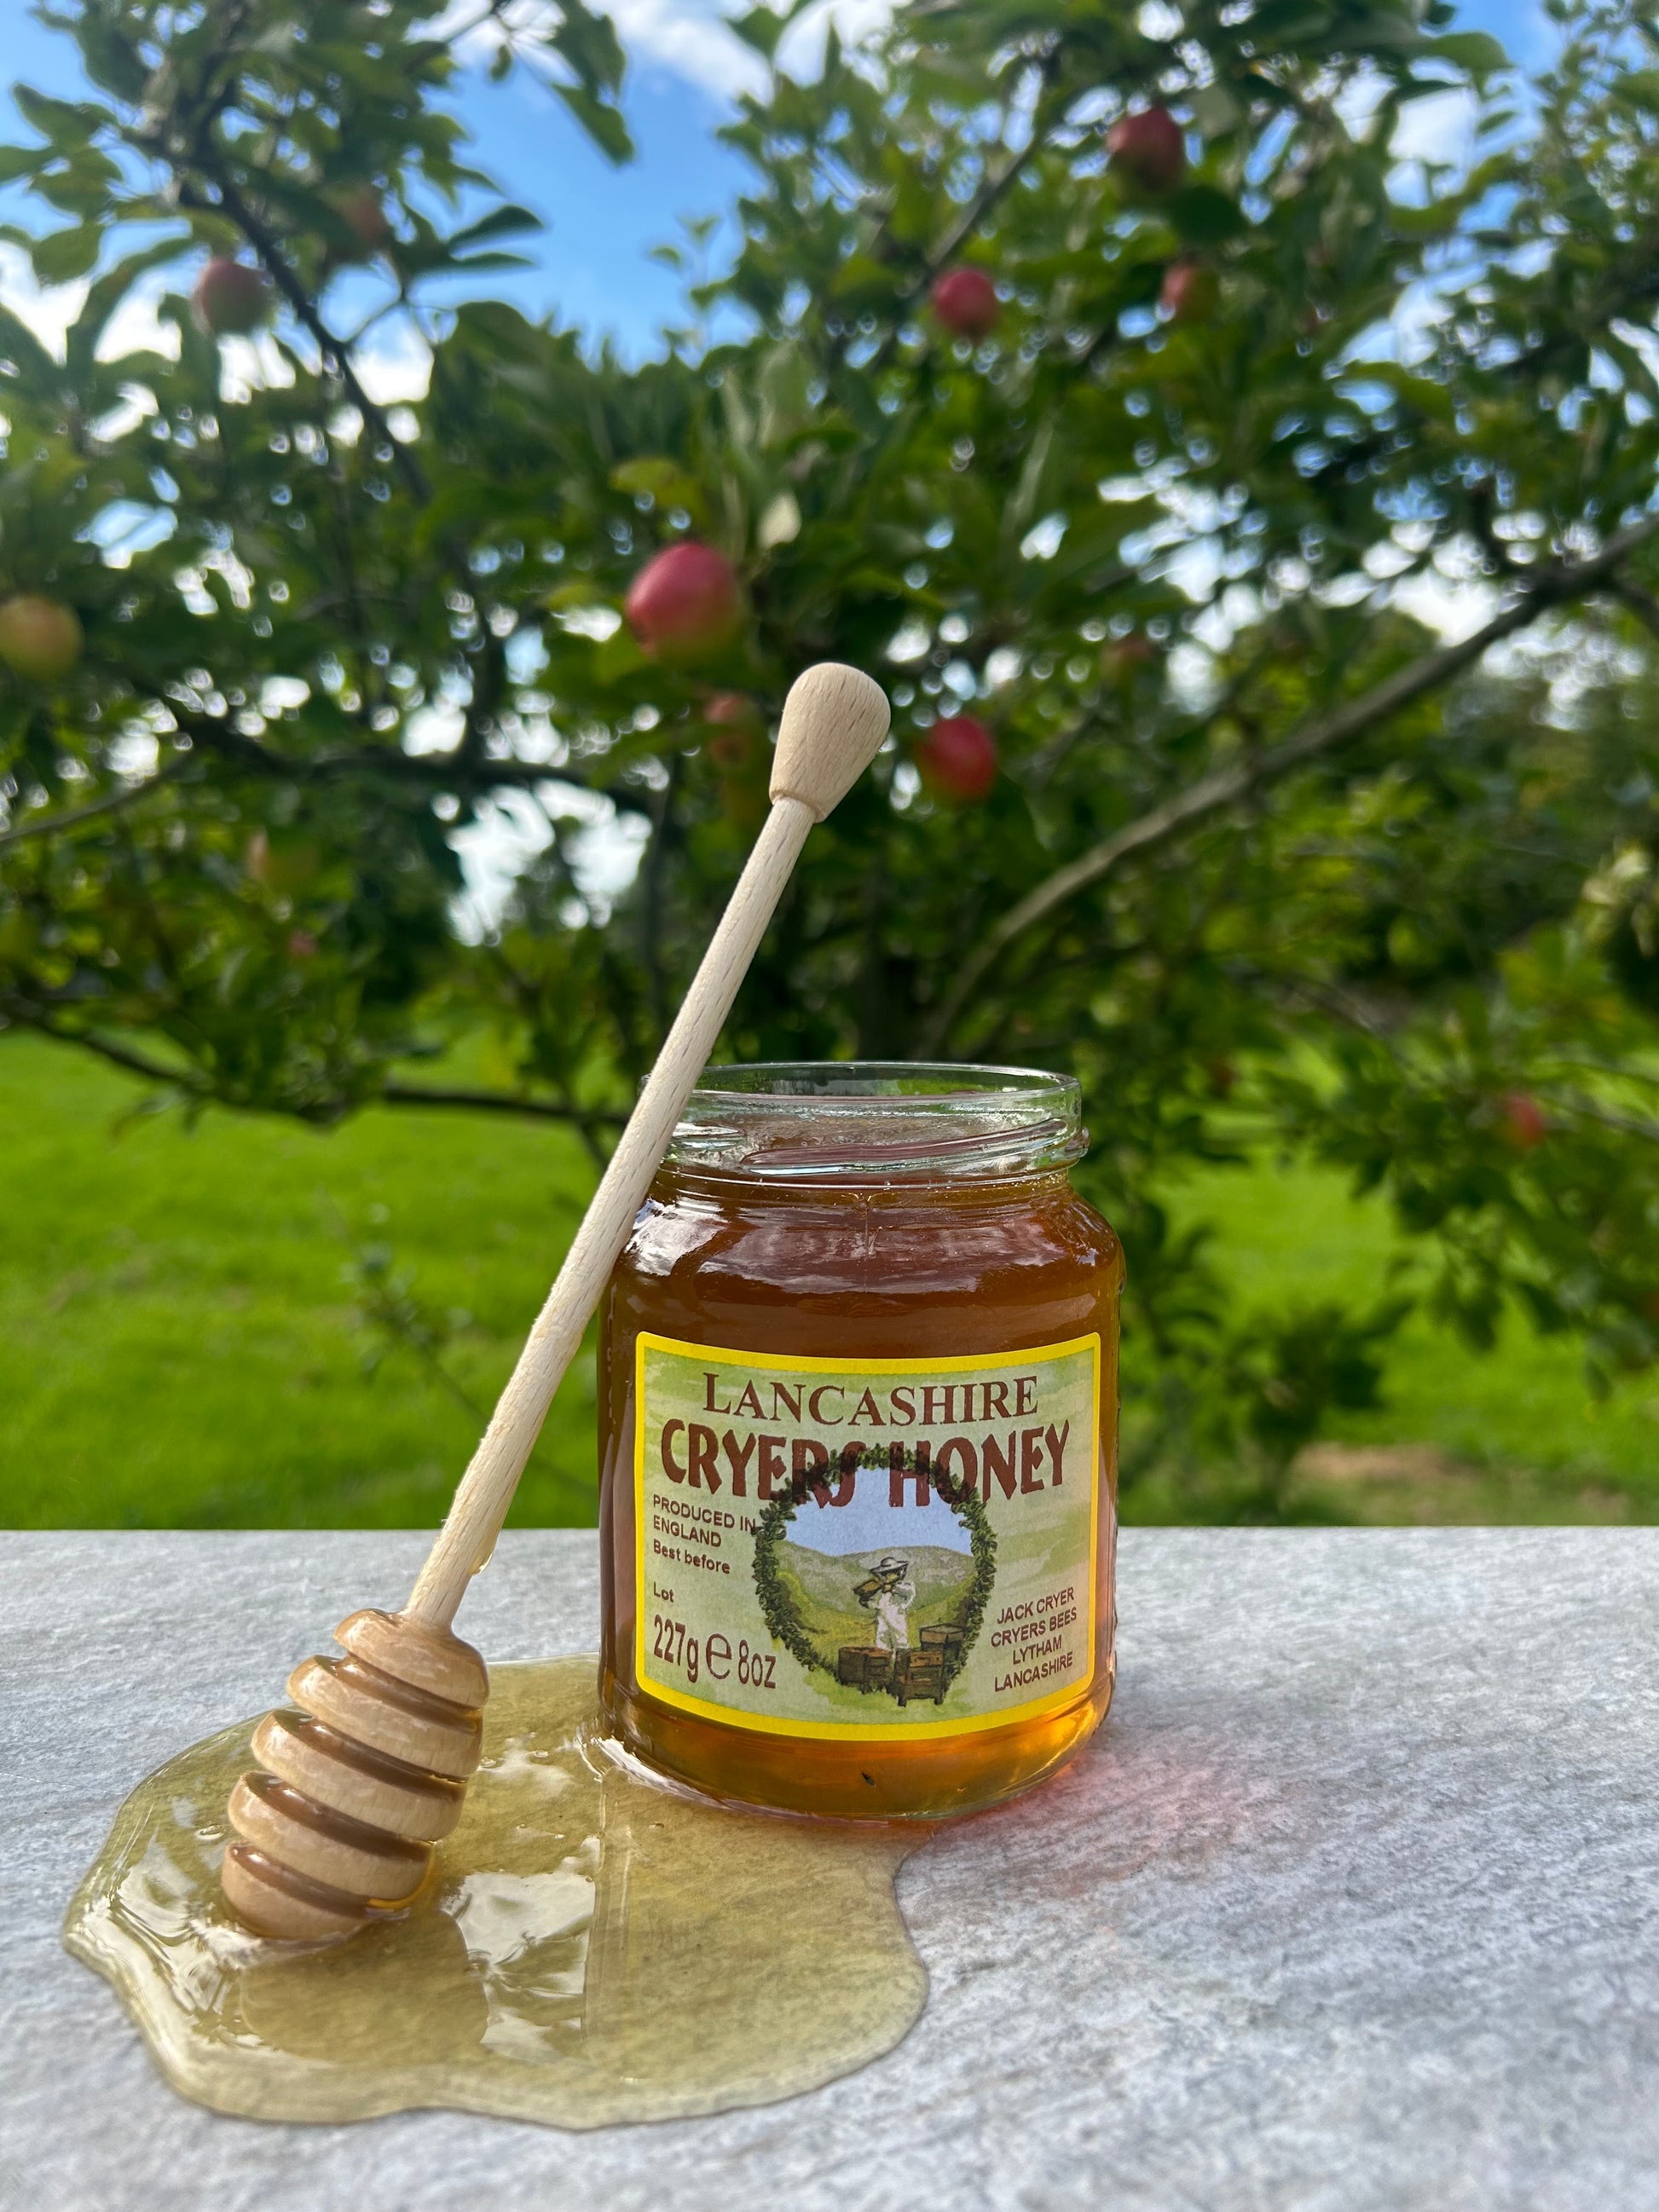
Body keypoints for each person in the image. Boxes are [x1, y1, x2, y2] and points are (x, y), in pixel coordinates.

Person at [869, 1556, 915, 1654]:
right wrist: (868, 1603)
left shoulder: (906, 1585)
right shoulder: (883, 1590)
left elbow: (910, 1592)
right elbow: (879, 1605)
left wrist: (892, 1588)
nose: (887, 1576)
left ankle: (901, 1666)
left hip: (897, 1618)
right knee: (882, 1643)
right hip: (882, 1620)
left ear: (898, 1572)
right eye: (884, 1574)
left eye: (890, 1573)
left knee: (900, 1642)